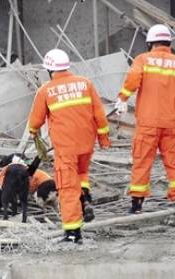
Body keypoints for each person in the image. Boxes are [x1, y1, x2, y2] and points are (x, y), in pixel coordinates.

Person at [115, 24, 175, 213]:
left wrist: (122, 98)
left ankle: (136, 205)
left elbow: (132, 79)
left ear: (150, 43)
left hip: (148, 123)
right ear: (168, 43)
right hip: (172, 123)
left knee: (142, 162)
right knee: (174, 162)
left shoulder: (143, 60)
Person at [28, 49, 111, 243]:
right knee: (81, 174)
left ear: (49, 69)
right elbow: (99, 113)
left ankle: (73, 232)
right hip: (86, 144)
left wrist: (34, 133)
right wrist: (104, 138)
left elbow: (35, 121)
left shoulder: (46, 90)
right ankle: (86, 197)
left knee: (67, 188)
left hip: (66, 148)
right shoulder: (85, 83)